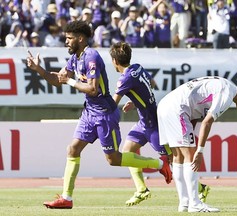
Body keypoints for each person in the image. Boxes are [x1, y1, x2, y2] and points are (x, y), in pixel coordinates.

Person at [26, 20, 171, 209]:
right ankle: (66, 198)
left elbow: (93, 89)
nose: (66, 42)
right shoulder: (74, 59)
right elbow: (58, 80)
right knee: (72, 149)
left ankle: (160, 165)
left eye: (69, 38)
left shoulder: (91, 56)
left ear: (80, 38)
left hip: (105, 114)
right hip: (89, 112)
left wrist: (69, 81)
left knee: (114, 159)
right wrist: (39, 70)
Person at [109, 42, 210, 206]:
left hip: (154, 125)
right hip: (144, 121)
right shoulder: (138, 68)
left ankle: (200, 188)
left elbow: (113, 104)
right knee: (128, 150)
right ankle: (141, 189)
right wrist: (136, 101)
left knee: (173, 159)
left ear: (114, 61)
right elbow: (152, 84)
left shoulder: (124, 79)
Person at [157, 76, 237, 212]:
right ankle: (195, 204)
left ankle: (184, 203)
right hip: (178, 109)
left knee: (178, 157)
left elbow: (196, 114)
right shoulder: (227, 93)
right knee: (190, 156)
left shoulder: (225, 86)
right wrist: (200, 151)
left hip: (165, 105)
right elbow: (207, 122)